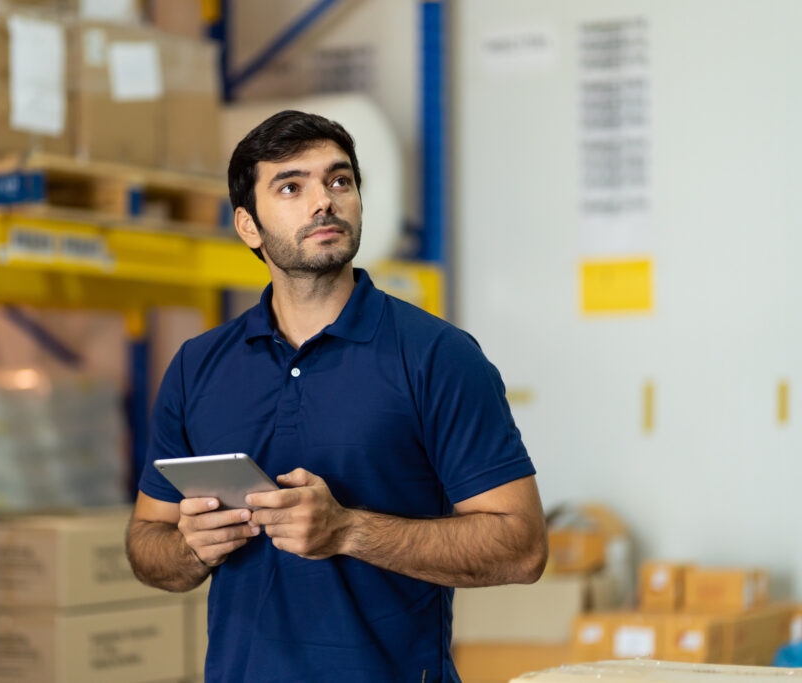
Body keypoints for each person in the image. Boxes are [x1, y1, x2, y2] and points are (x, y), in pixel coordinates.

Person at [126, 110, 548, 683]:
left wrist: (348, 530)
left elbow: (522, 548)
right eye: (291, 186)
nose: (323, 201)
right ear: (248, 226)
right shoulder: (197, 367)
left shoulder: (437, 355)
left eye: (339, 180)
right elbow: (146, 544)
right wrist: (191, 548)